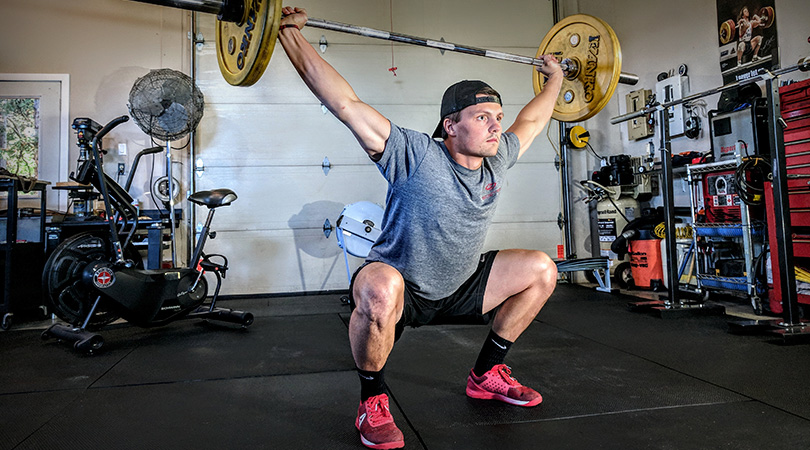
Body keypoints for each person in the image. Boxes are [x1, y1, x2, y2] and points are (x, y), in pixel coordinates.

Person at [278, 6, 562, 449]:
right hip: (402, 284)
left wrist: (556, 81)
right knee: (378, 289)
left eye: (497, 116)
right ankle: (372, 401)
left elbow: (534, 119)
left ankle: (486, 373)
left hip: (462, 283)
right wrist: (289, 35)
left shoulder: (497, 158)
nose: (496, 125)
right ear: (451, 126)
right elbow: (344, 103)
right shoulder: (415, 153)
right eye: (483, 116)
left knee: (543, 269)